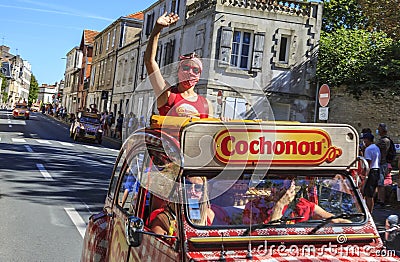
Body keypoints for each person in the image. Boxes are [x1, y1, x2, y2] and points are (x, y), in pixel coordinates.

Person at [144, 12, 213, 118]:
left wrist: (223, 123)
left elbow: (209, 132)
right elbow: (149, 61)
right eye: (185, 68)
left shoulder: (206, 104)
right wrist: (157, 29)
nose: (190, 72)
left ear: (200, 75)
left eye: (195, 70)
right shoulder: (167, 94)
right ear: (178, 70)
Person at [243, 179, 351, 225]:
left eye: (285, 186)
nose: (276, 189)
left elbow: (334, 220)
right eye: (275, 185)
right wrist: (280, 205)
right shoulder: (254, 207)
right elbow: (270, 235)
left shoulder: (302, 205)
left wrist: (353, 225)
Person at [362, 132, 381, 212]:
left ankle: (368, 212)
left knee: (367, 194)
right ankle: (370, 211)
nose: (364, 142)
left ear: (367, 140)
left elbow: (368, 163)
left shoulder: (368, 149)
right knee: (371, 193)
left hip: (371, 171)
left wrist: (364, 174)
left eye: (365, 141)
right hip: (377, 170)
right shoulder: (376, 147)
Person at [376, 123, 391, 208]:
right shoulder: (385, 140)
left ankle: (381, 201)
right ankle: (379, 199)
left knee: (380, 183)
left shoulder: (384, 141)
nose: (378, 130)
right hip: (382, 163)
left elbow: (376, 148)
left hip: (381, 163)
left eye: (379, 129)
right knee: (379, 182)